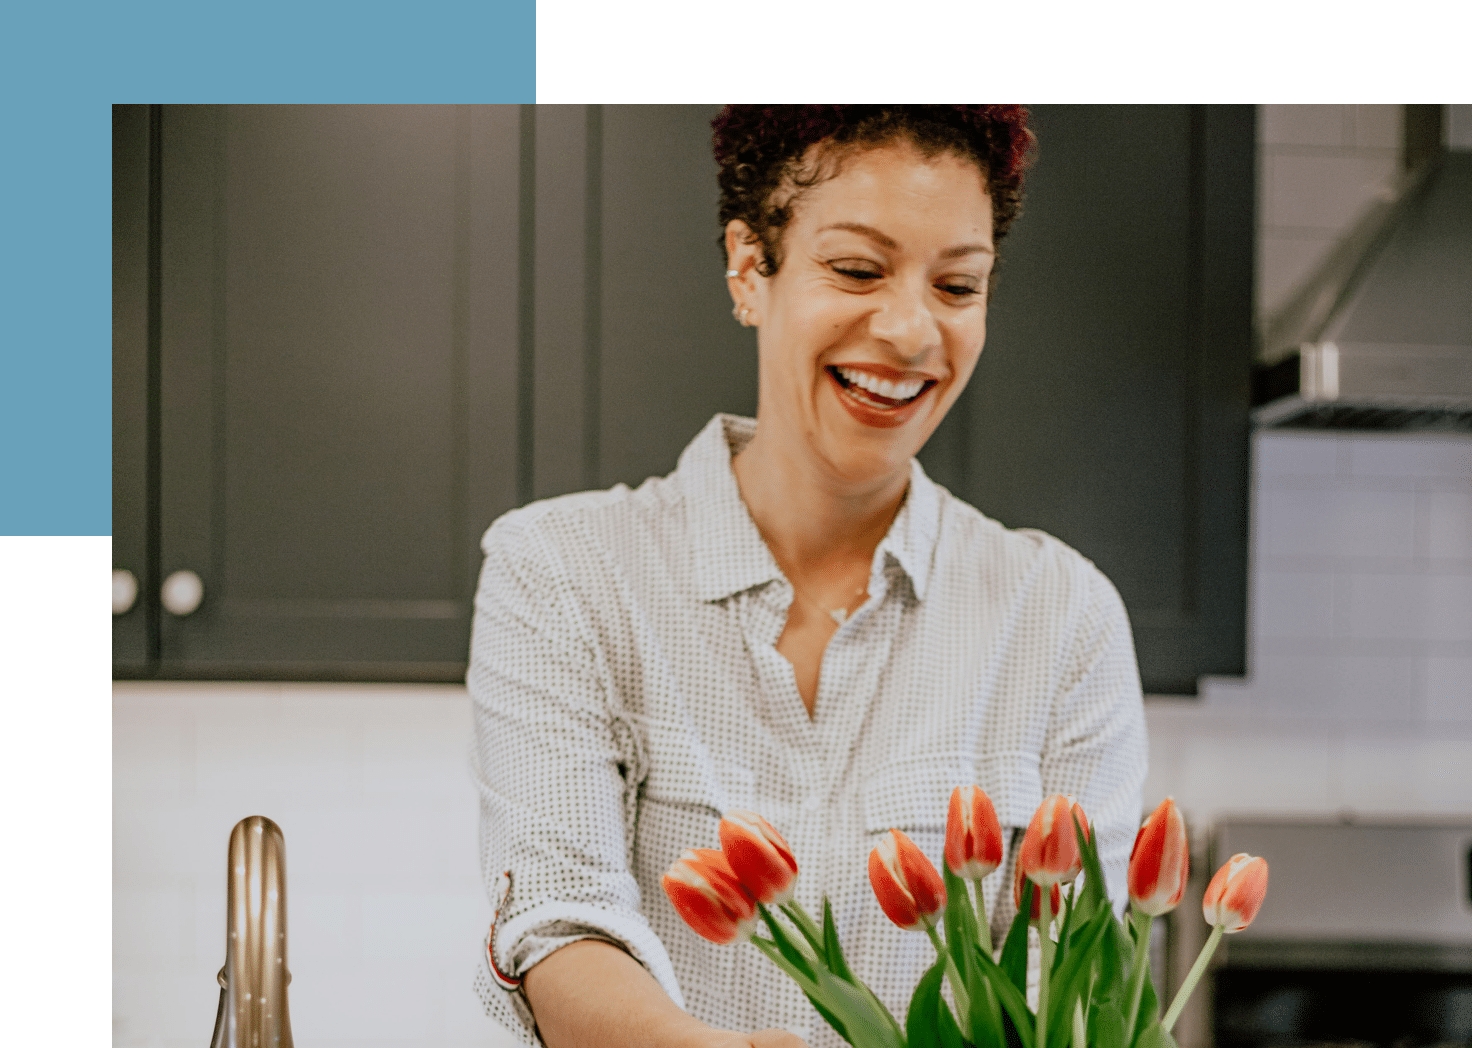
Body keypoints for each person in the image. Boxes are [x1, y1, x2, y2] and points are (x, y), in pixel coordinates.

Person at [469, 105, 1146, 1048]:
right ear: (751, 269)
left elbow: (1072, 985)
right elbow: (561, 922)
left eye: (957, 285)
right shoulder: (566, 574)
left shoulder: (1062, 618)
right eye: (858, 270)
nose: (911, 331)